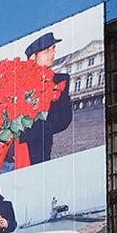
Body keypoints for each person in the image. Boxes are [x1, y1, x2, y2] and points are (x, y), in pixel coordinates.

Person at [19, 31, 72, 164]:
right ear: (33, 57)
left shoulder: (60, 81)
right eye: (47, 50)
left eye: (53, 48)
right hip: (4, 158)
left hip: (36, 156)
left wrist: (19, 135)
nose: (53, 53)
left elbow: (62, 120)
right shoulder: (15, 81)